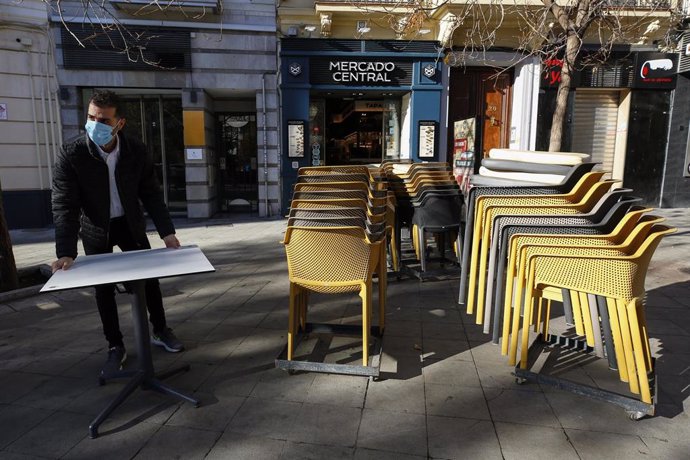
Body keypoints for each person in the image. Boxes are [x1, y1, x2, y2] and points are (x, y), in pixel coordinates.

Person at [51, 90, 184, 378]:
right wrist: (65, 250)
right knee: (103, 289)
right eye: (90, 117)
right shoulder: (72, 153)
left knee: (149, 282)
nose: (94, 124)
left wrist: (167, 233)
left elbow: (151, 193)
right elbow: (65, 203)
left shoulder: (136, 150)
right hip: (96, 228)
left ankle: (160, 330)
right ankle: (115, 346)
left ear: (119, 123)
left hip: (130, 224)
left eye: (102, 119)